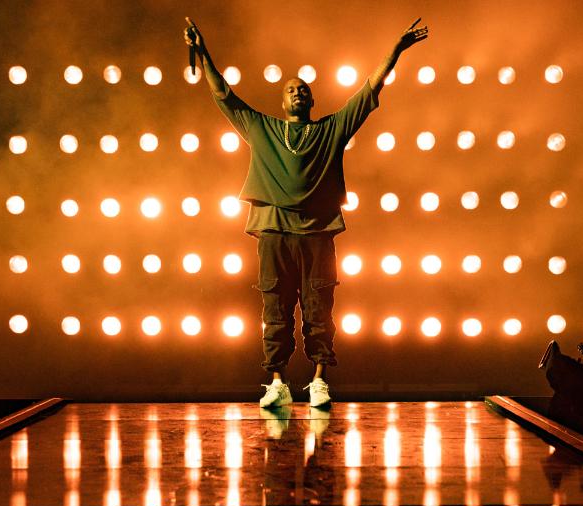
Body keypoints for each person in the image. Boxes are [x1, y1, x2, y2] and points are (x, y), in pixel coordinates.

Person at [184, 16, 429, 408]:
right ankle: (277, 381)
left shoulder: (330, 129)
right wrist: (203, 49)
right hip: (273, 231)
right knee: (275, 306)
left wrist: (396, 50)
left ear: (311, 101)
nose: (297, 93)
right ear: (283, 101)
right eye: (291, 89)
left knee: (319, 307)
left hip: (317, 232)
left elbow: (368, 91)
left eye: (304, 89)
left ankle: (318, 381)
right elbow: (223, 94)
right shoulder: (261, 127)